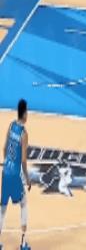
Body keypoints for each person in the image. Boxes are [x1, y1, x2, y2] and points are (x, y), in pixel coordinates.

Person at [0, 99, 31, 250]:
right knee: (24, 204)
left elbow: (4, 148)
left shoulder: (11, 125)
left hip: (5, 172)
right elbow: (23, 160)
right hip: (14, 176)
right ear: (24, 113)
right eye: (27, 111)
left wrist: (7, 162)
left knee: (2, 208)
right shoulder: (24, 134)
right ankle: (23, 243)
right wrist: (27, 178)